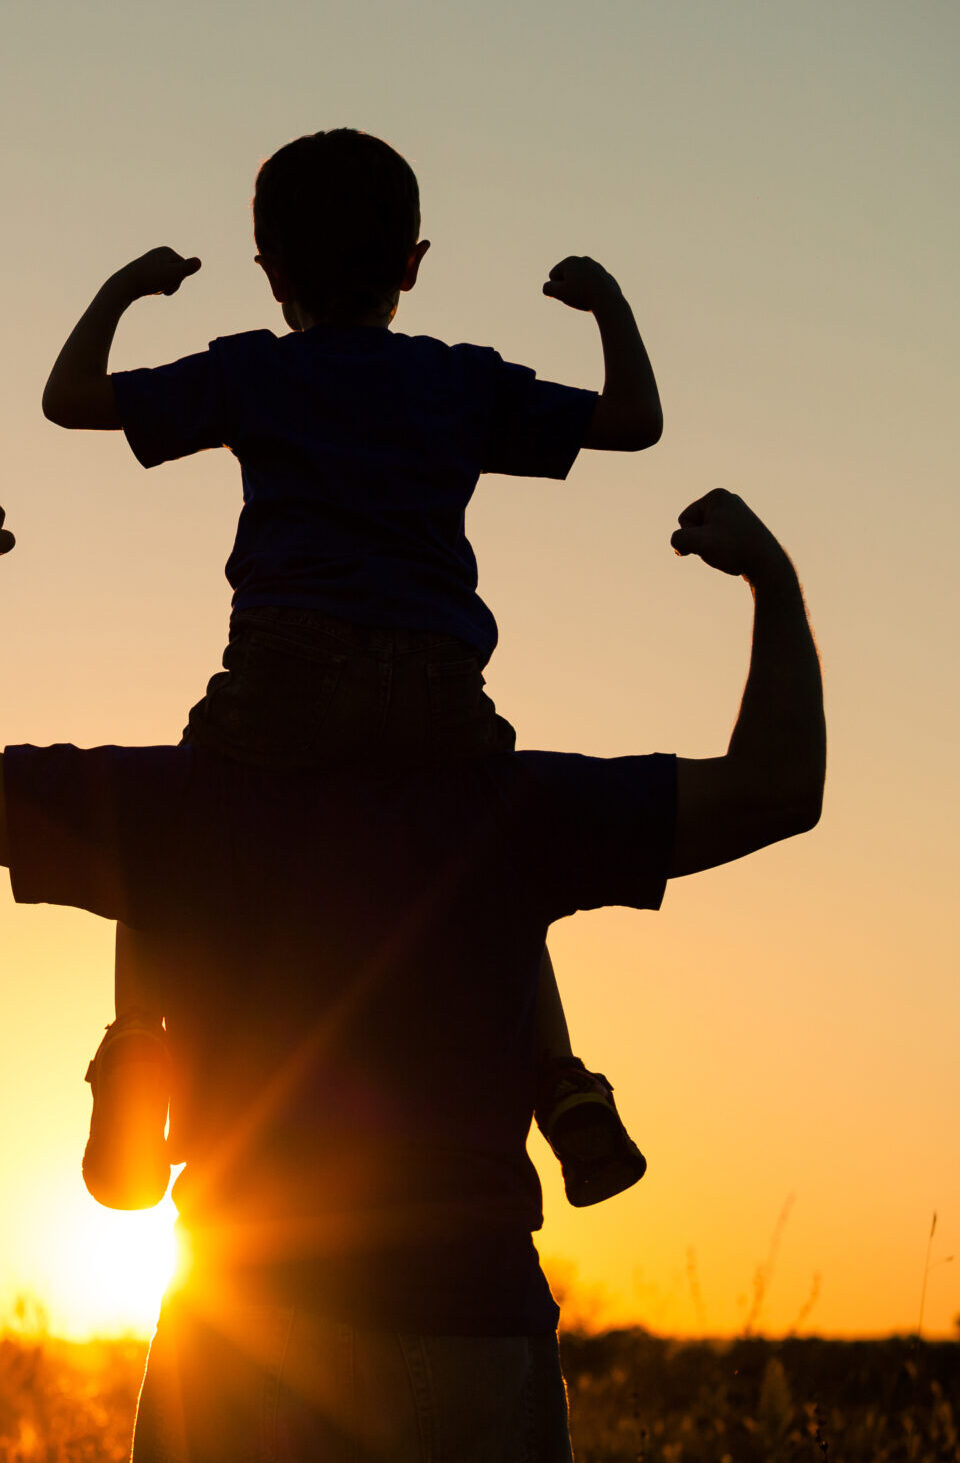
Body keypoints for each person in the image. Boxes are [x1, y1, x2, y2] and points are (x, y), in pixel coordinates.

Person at [0, 485, 822, 1463]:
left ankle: (136, 1050)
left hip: (247, 1334)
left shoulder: (183, 806)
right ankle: (563, 1084)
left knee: (138, 884)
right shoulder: (508, 808)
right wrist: (772, 583)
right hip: (472, 1321)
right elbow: (775, 786)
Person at [41, 129, 665, 1211]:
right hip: (436, 685)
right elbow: (632, 423)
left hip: (285, 670)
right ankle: (559, 1081)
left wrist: (126, 290)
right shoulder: (456, 382)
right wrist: (608, 307)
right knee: (498, 870)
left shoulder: (254, 369)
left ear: (267, 266)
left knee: (155, 834)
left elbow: (71, 398)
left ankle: (140, 1048)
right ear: (413, 264)